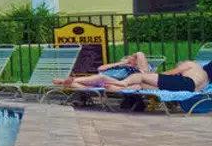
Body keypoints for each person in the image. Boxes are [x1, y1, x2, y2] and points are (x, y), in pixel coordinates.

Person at [58, 52, 211, 93]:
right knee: (141, 84)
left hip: (184, 84)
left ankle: (121, 84)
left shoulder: (192, 65)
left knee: (140, 77)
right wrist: (124, 62)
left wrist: (158, 75)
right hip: (189, 89)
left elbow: (171, 73)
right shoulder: (205, 81)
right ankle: (73, 83)